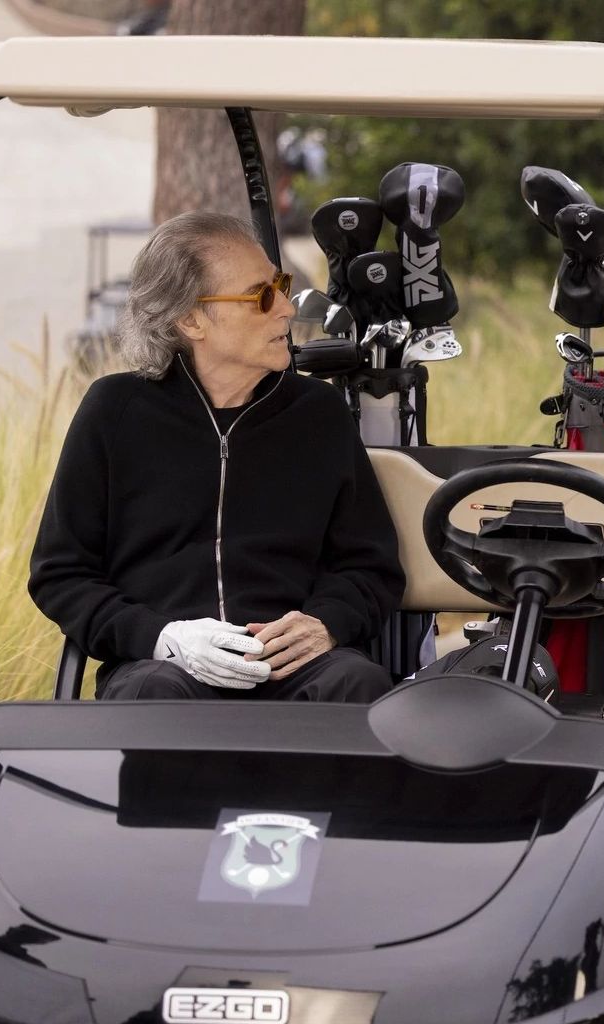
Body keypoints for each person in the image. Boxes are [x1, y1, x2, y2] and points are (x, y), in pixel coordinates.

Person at [30, 211, 403, 703]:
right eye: (261, 296)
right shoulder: (114, 411)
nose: (285, 309)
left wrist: (325, 624)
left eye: (281, 286)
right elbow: (61, 575)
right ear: (191, 320)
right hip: (164, 668)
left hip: (293, 668)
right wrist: (163, 638)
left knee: (357, 682)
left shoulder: (320, 413)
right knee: (149, 695)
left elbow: (370, 567)